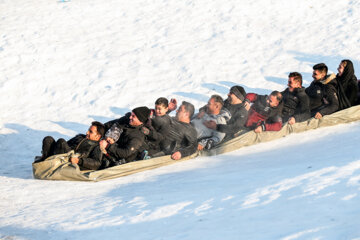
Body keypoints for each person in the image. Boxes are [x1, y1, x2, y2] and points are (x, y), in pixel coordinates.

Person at [39, 121, 105, 162]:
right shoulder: (80, 136)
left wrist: (79, 161)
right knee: (48, 139)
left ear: (98, 136)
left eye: (90, 132)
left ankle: (50, 161)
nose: (87, 132)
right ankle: (45, 159)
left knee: (61, 142)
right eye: (88, 130)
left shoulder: (97, 146)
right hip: (65, 153)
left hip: (71, 158)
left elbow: (96, 162)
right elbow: (66, 144)